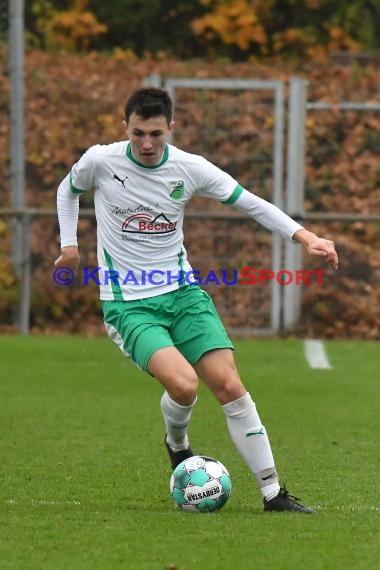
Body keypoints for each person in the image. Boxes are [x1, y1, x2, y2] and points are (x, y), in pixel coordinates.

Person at [55, 87, 338, 514]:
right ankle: (177, 443)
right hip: (128, 303)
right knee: (185, 386)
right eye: (138, 135)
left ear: (171, 127)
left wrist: (306, 235)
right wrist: (70, 244)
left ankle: (273, 493)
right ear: (124, 129)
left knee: (229, 386)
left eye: (155, 134)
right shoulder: (101, 161)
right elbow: (67, 188)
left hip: (184, 295)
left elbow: (252, 203)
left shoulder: (190, 168)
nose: (147, 144)